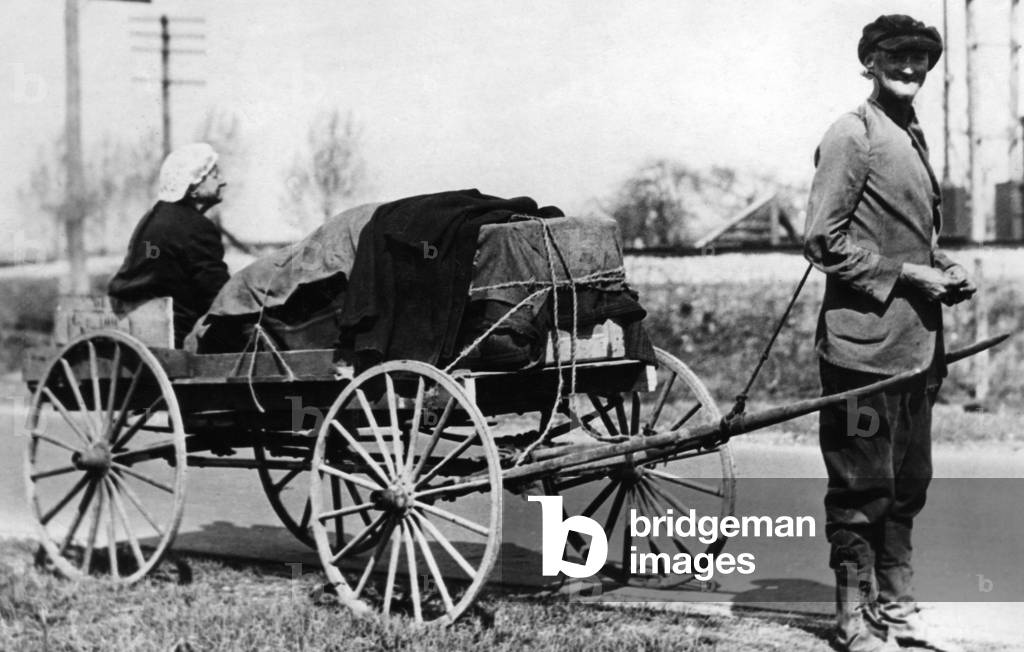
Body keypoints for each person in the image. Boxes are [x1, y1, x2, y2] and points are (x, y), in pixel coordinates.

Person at [803, 15, 975, 652]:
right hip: (862, 354)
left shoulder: (910, 134)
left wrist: (944, 267)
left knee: (906, 489)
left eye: (920, 59)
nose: (910, 68)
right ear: (868, 62)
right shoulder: (852, 135)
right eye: (896, 57)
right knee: (860, 490)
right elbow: (823, 241)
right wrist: (908, 276)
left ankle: (896, 614)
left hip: (917, 351)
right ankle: (852, 621)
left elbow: (916, 235)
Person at [108, 142, 230, 347]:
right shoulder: (196, 227)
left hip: (142, 325)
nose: (223, 181)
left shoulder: (151, 220)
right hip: (181, 334)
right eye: (214, 174)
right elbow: (218, 293)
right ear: (192, 187)